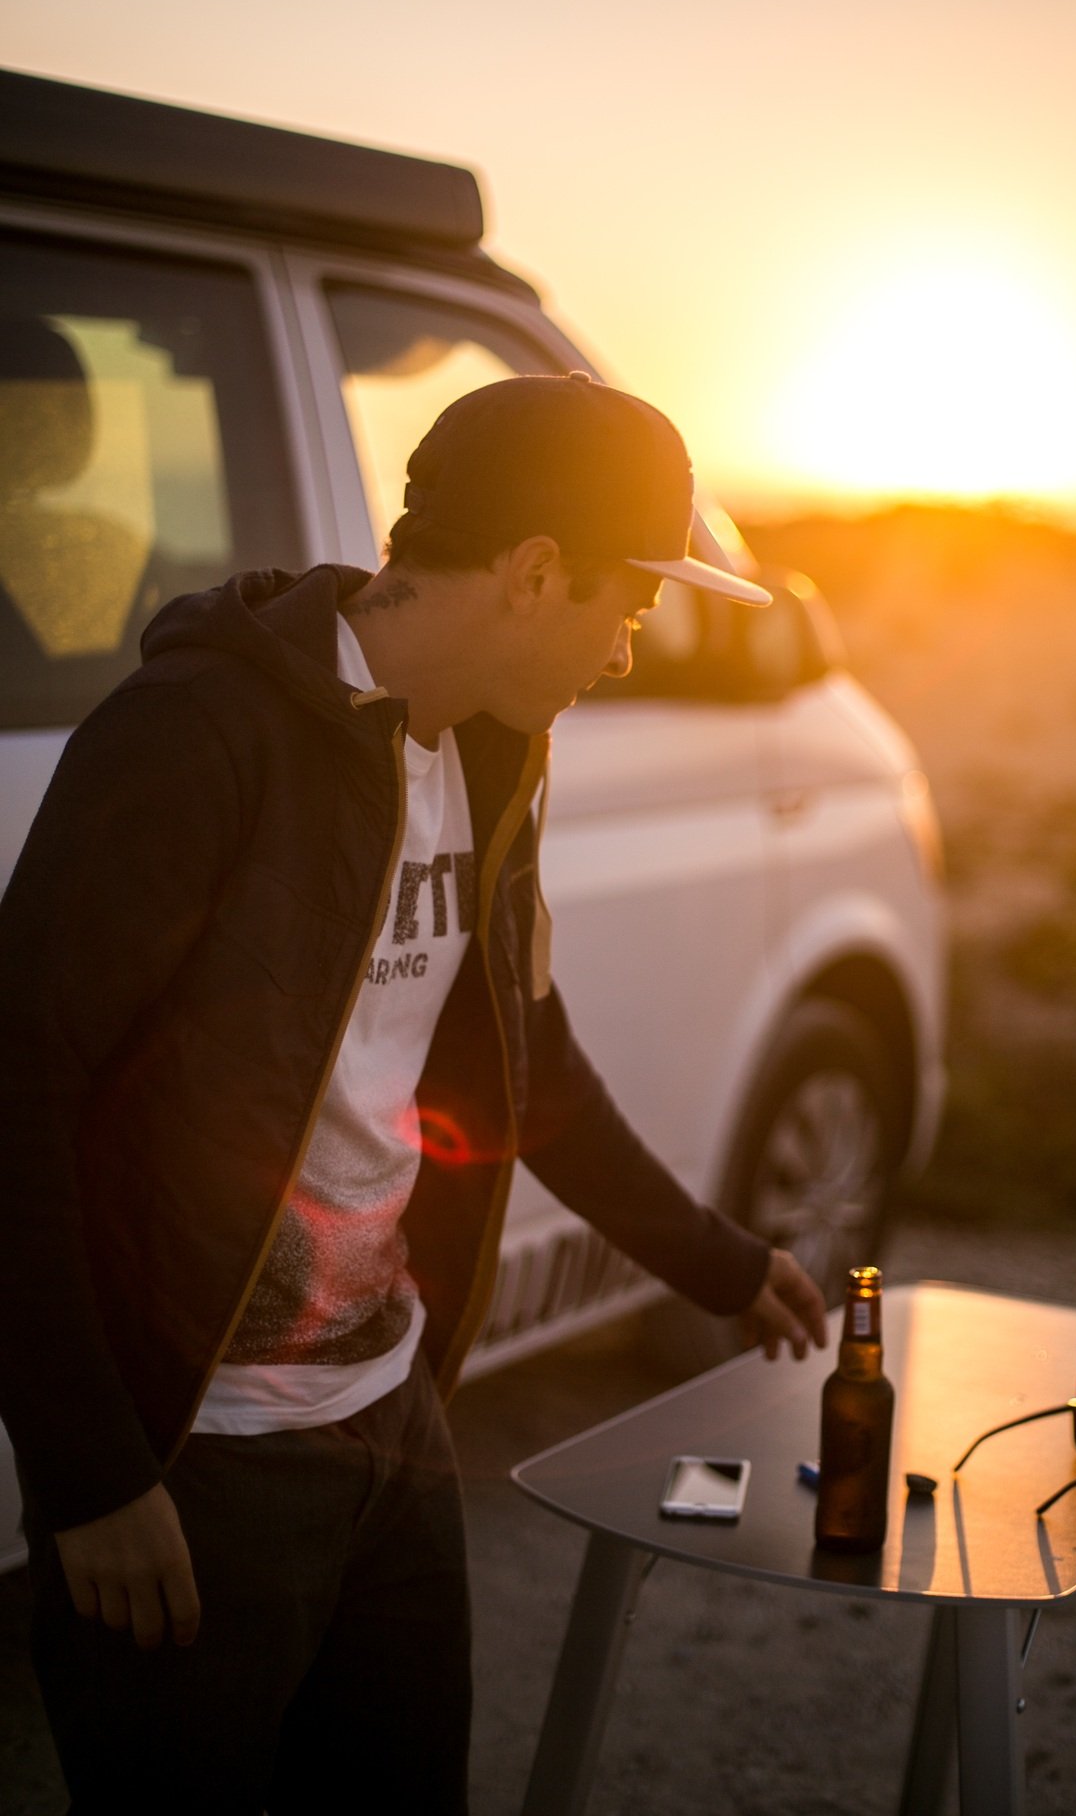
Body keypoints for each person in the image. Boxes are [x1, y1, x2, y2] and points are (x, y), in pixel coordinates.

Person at [0, 372, 827, 1812]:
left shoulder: (495, 747)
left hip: (393, 1418)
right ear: (533, 572)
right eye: (625, 606)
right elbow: (15, 1090)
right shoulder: (194, 736)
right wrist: (87, 1477)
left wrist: (712, 1256)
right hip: (204, 1460)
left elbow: (520, 1052)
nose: (625, 654)